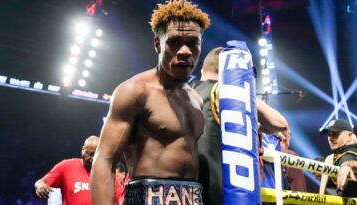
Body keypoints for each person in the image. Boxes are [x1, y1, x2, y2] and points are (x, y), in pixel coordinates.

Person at [90, 1, 211, 204]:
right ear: (158, 44)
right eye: (174, 42)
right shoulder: (135, 91)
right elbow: (104, 160)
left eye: (192, 43)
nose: (184, 51)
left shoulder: (196, 99)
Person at [191, 47, 288, 204]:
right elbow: (280, 124)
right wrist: (239, 88)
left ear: (203, 68)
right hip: (223, 193)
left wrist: (257, 126)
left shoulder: (188, 91)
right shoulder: (227, 93)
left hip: (187, 189)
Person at [35, 135, 99, 205]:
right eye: (89, 154)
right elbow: (40, 182)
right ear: (83, 150)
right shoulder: (66, 166)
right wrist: (40, 186)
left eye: (95, 155)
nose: (92, 158)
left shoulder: (108, 172)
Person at [319, 119, 357, 197]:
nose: (330, 138)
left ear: (349, 135)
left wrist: (347, 165)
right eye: (328, 134)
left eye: (335, 134)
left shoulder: (352, 152)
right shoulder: (333, 156)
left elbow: (349, 157)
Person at [277, 127, 307, 192]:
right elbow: (299, 192)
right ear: (285, 138)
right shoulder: (290, 156)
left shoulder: (258, 153)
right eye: (289, 135)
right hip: (281, 201)